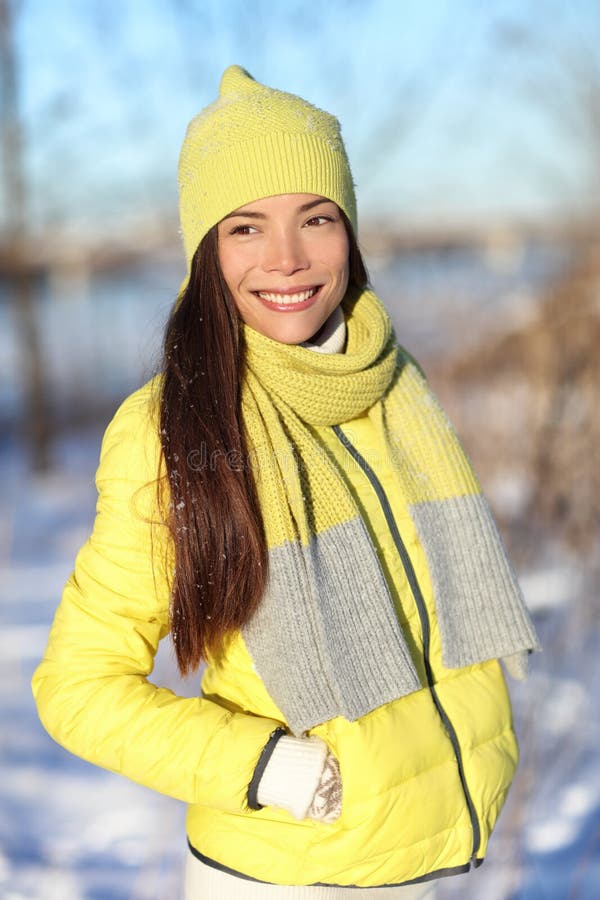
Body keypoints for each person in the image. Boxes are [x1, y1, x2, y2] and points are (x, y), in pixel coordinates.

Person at [32, 65, 540, 899]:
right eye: (246, 229)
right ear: (206, 251)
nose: (288, 259)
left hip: (433, 857)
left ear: (350, 232)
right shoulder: (175, 428)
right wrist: (269, 768)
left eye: (316, 218)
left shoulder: (391, 383)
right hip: (289, 873)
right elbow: (76, 686)